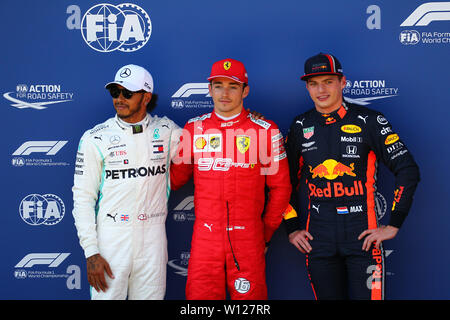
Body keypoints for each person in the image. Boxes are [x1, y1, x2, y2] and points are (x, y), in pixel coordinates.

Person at [283, 53, 420, 300]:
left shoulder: (370, 121)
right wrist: (292, 227)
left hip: (363, 240)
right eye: (313, 83)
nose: (321, 89)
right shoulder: (300, 125)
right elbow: (282, 183)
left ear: (343, 82)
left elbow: (407, 170)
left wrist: (394, 224)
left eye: (328, 81)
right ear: (307, 87)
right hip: (318, 240)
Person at [170, 58, 291, 299]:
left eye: (233, 86)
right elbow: (174, 179)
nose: (224, 93)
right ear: (209, 89)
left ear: (245, 90)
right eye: (218, 85)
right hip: (205, 237)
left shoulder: (265, 130)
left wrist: (264, 233)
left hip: (247, 236)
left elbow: (281, 188)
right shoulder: (194, 129)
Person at [72, 64, 182, 299]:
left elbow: (210, 143)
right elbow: (82, 199)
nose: (119, 99)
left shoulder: (167, 131)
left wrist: (252, 121)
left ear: (146, 97)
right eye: (115, 92)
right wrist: (91, 253)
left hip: (153, 241)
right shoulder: (95, 138)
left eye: (127, 93)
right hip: (111, 242)